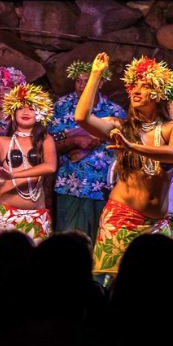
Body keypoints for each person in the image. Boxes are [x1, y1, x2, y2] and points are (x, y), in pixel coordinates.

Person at [74, 54, 173, 277]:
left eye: (144, 86)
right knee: (114, 284)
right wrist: (96, 74)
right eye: (134, 85)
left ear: (159, 94)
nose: (136, 90)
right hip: (121, 217)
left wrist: (132, 147)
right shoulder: (120, 127)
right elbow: (82, 118)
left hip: (156, 225)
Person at [0, 84, 57, 242]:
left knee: (37, 257)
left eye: (31, 108)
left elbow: (50, 166)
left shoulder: (45, 140)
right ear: (13, 113)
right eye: (20, 108)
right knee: (7, 256)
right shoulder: (4, 142)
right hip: (7, 213)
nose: (25, 112)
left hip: (37, 214)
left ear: (40, 114)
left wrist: (14, 174)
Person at [48, 60, 126, 240]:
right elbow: (49, 144)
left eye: (87, 81)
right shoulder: (61, 106)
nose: (82, 86)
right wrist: (74, 141)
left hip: (103, 187)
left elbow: (123, 150)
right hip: (70, 185)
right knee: (69, 240)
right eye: (78, 81)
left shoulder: (115, 112)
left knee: (101, 239)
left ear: (100, 83)